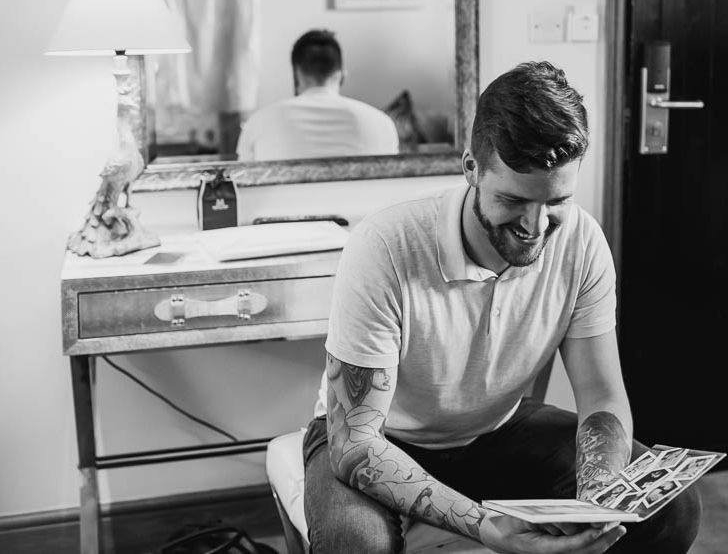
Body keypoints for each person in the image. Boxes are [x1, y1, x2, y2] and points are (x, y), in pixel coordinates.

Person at [303, 61, 701, 553]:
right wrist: (487, 526)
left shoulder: (581, 242)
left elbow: (601, 396)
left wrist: (598, 498)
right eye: (514, 200)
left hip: (497, 429)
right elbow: (355, 442)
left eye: (555, 201)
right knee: (353, 544)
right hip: (381, 436)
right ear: (470, 167)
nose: (535, 227)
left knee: (674, 512)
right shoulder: (385, 245)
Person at [237, 29, 399, 161]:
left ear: (297, 75)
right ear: (342, 75)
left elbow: (242, 183)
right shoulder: (382, 124)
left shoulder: (259, 122)